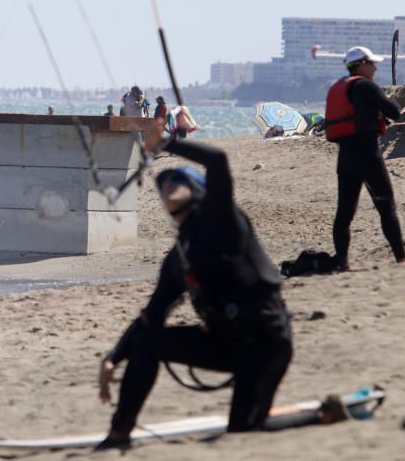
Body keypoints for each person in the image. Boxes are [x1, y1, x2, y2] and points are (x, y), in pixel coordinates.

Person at [95, 122, 293, 450]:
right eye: (162, 184)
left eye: (176, 180)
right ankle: (119, 432)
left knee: (244, 430)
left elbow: (217, 160)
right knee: (146, 341)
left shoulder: (224, 221)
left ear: (198, 189)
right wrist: (114, 357)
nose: (166, 185)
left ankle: (318, 415)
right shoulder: (179, 258)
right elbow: (154, 312)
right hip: (224, 343)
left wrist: (165, 144)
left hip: (265, 343)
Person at [324, 46, 405, 271]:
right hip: (368, 154)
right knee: (385, 205)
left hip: (345, 157)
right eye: (372, 63)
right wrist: (389, 104)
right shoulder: (365, 85)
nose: (376, 67)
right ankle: (401, 258)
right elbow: (394, 111)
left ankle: (342, 262)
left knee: (345, 212)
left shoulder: (340, 87)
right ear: (361, 64)